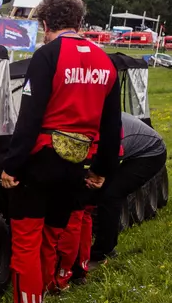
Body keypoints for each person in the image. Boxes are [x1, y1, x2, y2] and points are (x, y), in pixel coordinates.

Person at [0, 0, 121, 303]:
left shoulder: (46, 56)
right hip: (76, 165)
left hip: (40, 161)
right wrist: (102, 170)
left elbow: (29, 116)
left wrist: (12, 165)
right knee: (50, 239)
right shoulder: (105, 61)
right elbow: (112, 126)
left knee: (26, 244)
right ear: (80, 22)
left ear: (44, 23)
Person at [58, 113, 167, 282]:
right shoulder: (93, 120)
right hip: (131, 148)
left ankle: (104, 250)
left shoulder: (109, 132)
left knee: (111, 194)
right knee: (100, 191)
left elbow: (106, 163)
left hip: (151, 153)